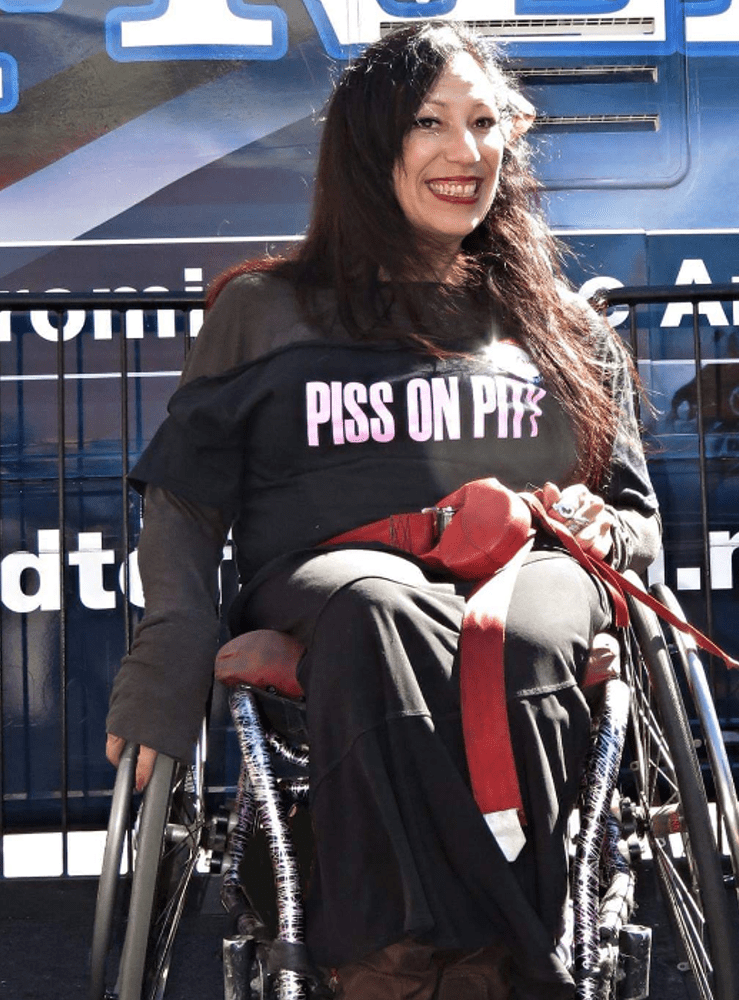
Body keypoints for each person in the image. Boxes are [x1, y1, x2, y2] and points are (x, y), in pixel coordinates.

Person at [106, 22, 660, 999]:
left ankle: (487, 963)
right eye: (430, 122)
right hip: (337, 578)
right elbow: (186, 504)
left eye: (486, 123)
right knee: (378, 610)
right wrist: (164, 667)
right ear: (368, 147)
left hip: (522, 573)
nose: (467, 150)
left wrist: (604, 528)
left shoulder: (558, 323)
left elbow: (634, 515)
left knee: (528, 634)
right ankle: (407, 966)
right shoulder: (262, 309)